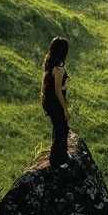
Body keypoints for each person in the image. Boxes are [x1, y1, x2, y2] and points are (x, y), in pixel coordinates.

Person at [41, 36, 71, 167]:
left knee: (58, 128)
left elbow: (47, 84)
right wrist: (65, 109)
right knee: (62, 129)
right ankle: (57, 160)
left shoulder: (50, 64)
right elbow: (58, 90)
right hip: (56, 103)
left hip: (49, 101)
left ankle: (60, 155)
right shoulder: (59, 70)